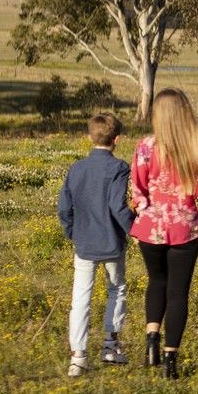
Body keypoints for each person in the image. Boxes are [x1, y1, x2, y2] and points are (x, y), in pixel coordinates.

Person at [129, 87, 198, 379]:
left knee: (156, 281)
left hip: (151, 228)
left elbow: (138, 191)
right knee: (178, 292)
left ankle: (152, 339)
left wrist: (140, 215)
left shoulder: (144, 147)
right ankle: (171, 359)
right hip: (185, 229)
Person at [56, 112, 135, 377]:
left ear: (89, 137)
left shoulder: (76, 168)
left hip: (85, 243)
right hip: (112, 242)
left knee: (81, 299)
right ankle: (110, 345)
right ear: (117, 139)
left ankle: (78, 356)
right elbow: (117, 205)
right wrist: (134, 228)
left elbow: (64, 206)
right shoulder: (120, 167)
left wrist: (72, 233)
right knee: (117, 290)